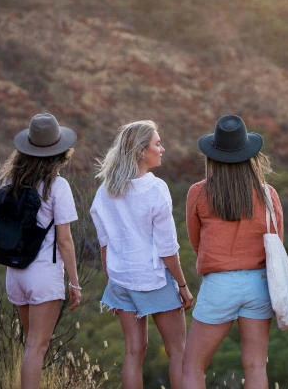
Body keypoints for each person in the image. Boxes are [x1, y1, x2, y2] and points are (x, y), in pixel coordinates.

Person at [90, 120, 193, 389]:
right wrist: (182, 285)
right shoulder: (155, 189)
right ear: (140, 152)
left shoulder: (104, 191)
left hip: (121, 280)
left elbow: (105, 246)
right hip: (153, 279)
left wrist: (111, 282)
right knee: (178, 352)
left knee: (133, 352)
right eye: (157, 144)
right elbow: (168, 248)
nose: (162, 148)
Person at [183, 114, 283, 389]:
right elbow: (276, 242)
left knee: (192, 366)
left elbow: (195, 240)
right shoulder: (267, 193)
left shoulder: (199, 192)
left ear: (213, 155)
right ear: (250, 155)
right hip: (259, 283)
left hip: (219, 284)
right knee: (255, 365)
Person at [0, 112, 82, 389]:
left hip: (15, 274)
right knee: (36, 348)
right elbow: (65, 240)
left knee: (31, 344)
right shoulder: (57, 186)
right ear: (60, 152)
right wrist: (75, 282)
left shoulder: (10, 184)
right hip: (43, 276)